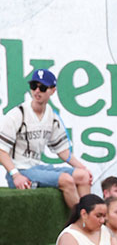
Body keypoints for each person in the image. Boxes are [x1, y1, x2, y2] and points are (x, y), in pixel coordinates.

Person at [0, 69, 93, 207]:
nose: (37, 91)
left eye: (42, 88)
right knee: (66, 180)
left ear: (52, 90)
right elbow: (1, 151)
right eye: (34, 86)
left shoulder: (52, 116)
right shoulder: (18, 114)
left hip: (36, 168)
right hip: (20, 171)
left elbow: (63, 152)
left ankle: (89, 219)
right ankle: (81, 223)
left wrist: (83, 168)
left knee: (83, 176)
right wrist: (15, 175)